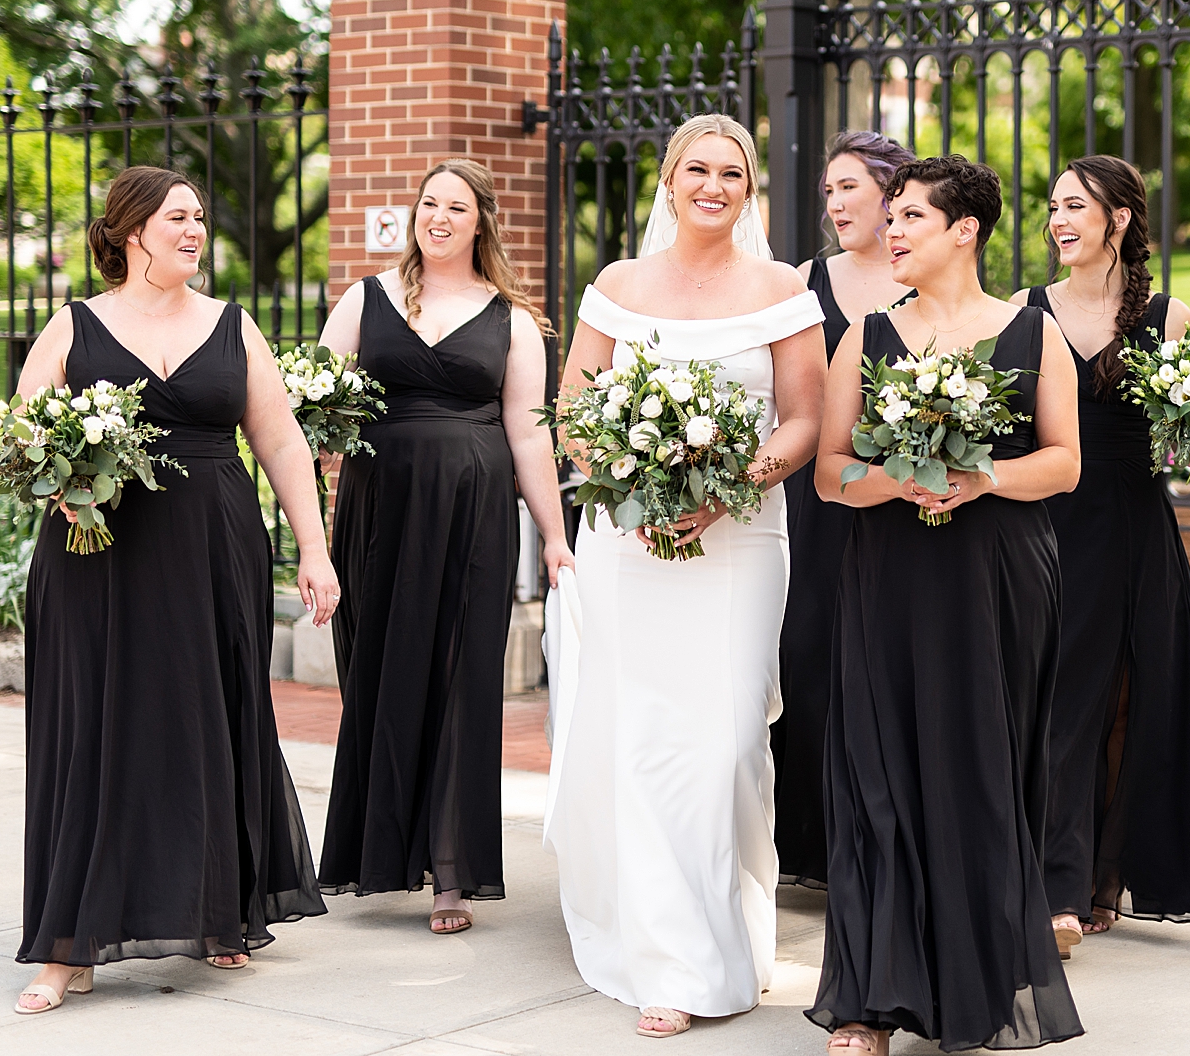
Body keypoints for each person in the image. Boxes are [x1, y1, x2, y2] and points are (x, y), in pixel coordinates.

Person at [11, 165, 334, 1015]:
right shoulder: (74, 326)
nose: (194, 231)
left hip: (213, 551)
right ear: (132, 233)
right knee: (95, 733)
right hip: (99, 557)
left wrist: (315, 548)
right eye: (176, 219)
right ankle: (69, 945)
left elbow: (281, 441)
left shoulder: (233, 325)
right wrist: (64, 480)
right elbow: (21, 438)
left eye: (199, 217)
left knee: (209, 721)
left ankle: (218, 911)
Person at [545, 114, 827, 1039]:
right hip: (627, 545)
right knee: (641, 739)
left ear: (750, 191)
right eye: (697, 169)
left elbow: (803, 419)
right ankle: (668, 960)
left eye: (732, 173)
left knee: (727, 741)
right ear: (669, 181)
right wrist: (632, 481)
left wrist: (726, 488)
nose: (714, 186)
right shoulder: (619, 287)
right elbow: (574, 410)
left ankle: (727, 933)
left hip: (740, 543)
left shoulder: (783, 291)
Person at [810, 155, 1085, 1055]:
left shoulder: (1034, 334)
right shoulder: (865, 337)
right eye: (889, 217)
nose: (889, 231)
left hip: (999, 579)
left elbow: (1064, 464)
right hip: (890, 580)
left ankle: (972, 990)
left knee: (979, 776)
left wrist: (980, 477)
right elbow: (829, 474)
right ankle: (869, 1002)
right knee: (879, 776)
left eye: (910, 218)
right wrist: (900, 481)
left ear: (965, 230)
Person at [313, 159, 574, 933]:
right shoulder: (366, 299)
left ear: (481, 221)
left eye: (457, 207)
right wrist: (317, 457)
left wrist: (555, 536)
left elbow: (530, 433)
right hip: (378, 511)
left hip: (472, 515)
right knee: (380, 670)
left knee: (462, 678)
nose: (439, 217)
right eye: (430, 203)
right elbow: (311, 400)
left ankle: (451, 873)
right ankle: (378, 853)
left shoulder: (512, 319)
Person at [1013, 154, 1190, 947]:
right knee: (1055, 703)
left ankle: (1095, 879)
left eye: (1074, 206)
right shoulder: (1026, 310)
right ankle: (1053, 882)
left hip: (1134, 529)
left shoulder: (1171, 318)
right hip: (1048, 525)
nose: (1058, 221)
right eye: (1053, 207)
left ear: (1119, 218)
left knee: (1123, 707)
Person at [775, 130, 916, 890]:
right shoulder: (806, 281)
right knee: (807, 655)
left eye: (848, 187)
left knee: (886, 665)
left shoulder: (925, 277)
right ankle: (806, 847)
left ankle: (879, 849)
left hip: (903, 499)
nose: (832, 204)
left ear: (892, 194)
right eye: (827, 191)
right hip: (815, 498)